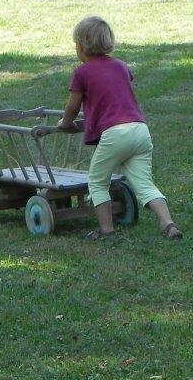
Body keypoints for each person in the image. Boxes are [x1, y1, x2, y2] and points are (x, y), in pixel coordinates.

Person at [50, 16, 182, 241]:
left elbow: (72, 106)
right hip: (139, 130)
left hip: (115, 134)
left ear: (81, 46)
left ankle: (107, 231)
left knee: (97, 182)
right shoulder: (121, 66)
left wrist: (65, 123)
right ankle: (168, 224)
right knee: (144, 184)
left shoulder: (82, 72)